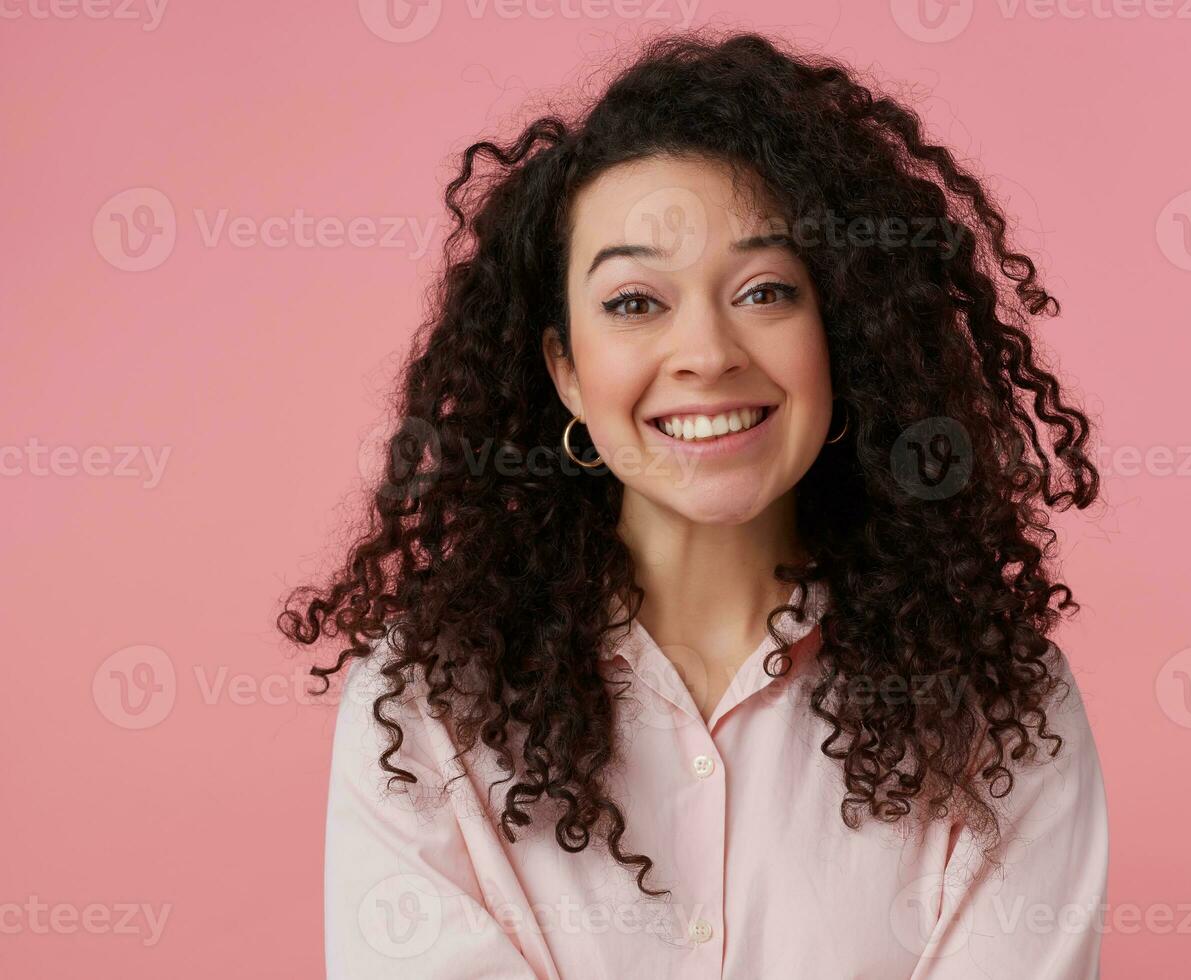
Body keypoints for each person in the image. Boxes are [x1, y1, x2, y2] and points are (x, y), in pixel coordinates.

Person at [279, 28, 1108, 980]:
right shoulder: (425, 708)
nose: (708, 353)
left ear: (841, 337)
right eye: (636, 302)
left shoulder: (1003, 707)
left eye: (763, 291)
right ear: (566, 372)